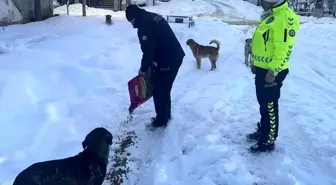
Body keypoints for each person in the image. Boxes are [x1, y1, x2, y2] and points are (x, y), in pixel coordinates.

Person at [247, 0, 300, 153]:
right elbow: (263, 43)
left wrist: (273, 71)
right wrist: (255, 62)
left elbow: (284, 49)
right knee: (263, 102)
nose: (262, 2)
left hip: (272, 72)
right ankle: (263, 130)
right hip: (263, 69)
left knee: (270, 105)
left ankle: (269, 140)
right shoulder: (271, 15)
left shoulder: (285, 17)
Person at [125, 5, 185, 128]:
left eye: (131, 21)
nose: (131, 24)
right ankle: (165, 116)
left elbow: (148, 52)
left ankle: (161, 121)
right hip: (174, 55)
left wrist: (143, 70)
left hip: (168, 59)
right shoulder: (152, 16)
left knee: (159, 89)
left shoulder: (144, 26)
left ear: (134, 17)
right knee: (164, 88)